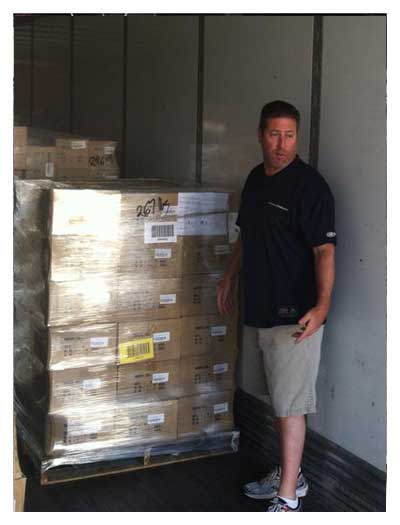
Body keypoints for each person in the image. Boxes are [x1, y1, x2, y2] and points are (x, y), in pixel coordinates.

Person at [217, 100, 336, 512]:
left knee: (291, 405)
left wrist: (322, 306)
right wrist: (230, 277)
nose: (281, 144)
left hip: (295, 317)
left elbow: (324, 251)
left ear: (297, 137)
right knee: (272, 397)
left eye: (289, 135)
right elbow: (245, 236)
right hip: (258, 309)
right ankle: (291, 473)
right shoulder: (255, 179)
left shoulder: (310, 187)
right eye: (274, 134)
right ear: (260, 135)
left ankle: (288, 498)